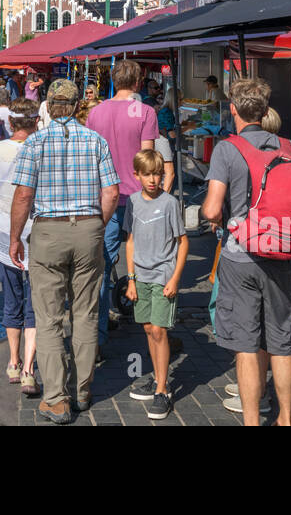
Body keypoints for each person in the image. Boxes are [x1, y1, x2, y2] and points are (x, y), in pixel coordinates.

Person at [203, 78, 291, 426]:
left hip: (241, 256)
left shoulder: (227, 149)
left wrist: (216, 215)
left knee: (246, 343)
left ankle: (251, 421)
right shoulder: (289, 147)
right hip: (282, 253)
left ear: (233, 109)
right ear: (264, 111)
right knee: (280, 342)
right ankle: (286, 420)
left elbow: (213, 210)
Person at [9, 79, 119, 425]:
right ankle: (82, 390)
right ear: (74, 106)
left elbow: (24, 195)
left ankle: (56, 398)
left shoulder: (35, 143)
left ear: (49, 106)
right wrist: (96, 223)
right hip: (88, 227)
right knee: (86, 313)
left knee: (49, 317)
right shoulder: (95, 140)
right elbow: (112, 192)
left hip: (48, 231)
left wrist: (15, 237)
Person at [85, 59, 158, 352]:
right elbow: (148, 160)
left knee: (101, 265)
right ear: (139, 82)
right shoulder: (145, 112)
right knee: (148, 263)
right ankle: (153, 330)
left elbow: (91, 157)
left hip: (105, 196)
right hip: (137, 198)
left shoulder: (96, 112)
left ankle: (98, 336)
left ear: (112, 81)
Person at [124, 149, 187, 420]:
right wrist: (131, 279)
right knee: (149, 329)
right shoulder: (133, 202)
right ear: (136, 175)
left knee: (160, 331)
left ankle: (162, 389)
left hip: (163, 276)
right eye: (147, 174)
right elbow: (131, 241)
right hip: (141, 277)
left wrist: (174, 278)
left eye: (157, 174)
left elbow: (182, 242)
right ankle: (157, 376)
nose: (153, 180)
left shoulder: (170, 203)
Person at [0, 99, 40, 397]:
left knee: (11, 299)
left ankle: (14, 360)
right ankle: (30, 369)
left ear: (10, 122)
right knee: (34, 302)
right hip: (34, 231)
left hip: (3, 231)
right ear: (35, 122)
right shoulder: (39, 149)